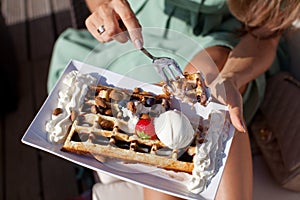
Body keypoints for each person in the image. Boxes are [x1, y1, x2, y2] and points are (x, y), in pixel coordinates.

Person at [47, 0, 300, 199]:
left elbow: (265, 35)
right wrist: (105, 9)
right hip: (140, 30)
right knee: (171, 116)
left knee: (207, 88)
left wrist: (232, 78)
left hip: (233, 40)